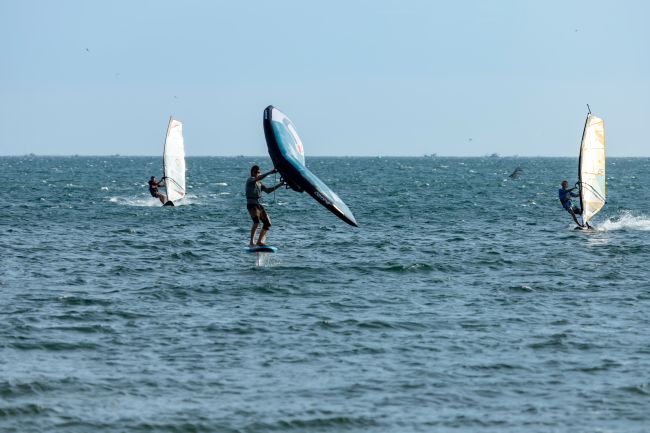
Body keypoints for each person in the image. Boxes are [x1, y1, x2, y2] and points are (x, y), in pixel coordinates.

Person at [246, 165, 284, 247]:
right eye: (255, 172)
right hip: (251, 205)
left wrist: (280, 184)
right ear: (252, 173)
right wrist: (270, 172)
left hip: (258, 205)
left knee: (267, 223)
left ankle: (259, 241)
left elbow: (268, 191)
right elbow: (257, 178)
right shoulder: (250, 180)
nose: (257, 174)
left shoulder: (259, 184)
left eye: (258, 172)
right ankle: (251, 242)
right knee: (256, 222)